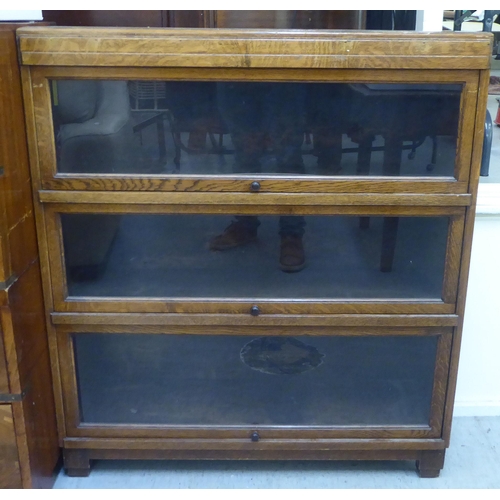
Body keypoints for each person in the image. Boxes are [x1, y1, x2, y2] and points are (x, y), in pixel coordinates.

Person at [208, 82, 308, 272]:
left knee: (288, 155)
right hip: (237, 72)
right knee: (244, 151)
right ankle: (245, 224)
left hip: (284, 69)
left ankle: (292, 234)